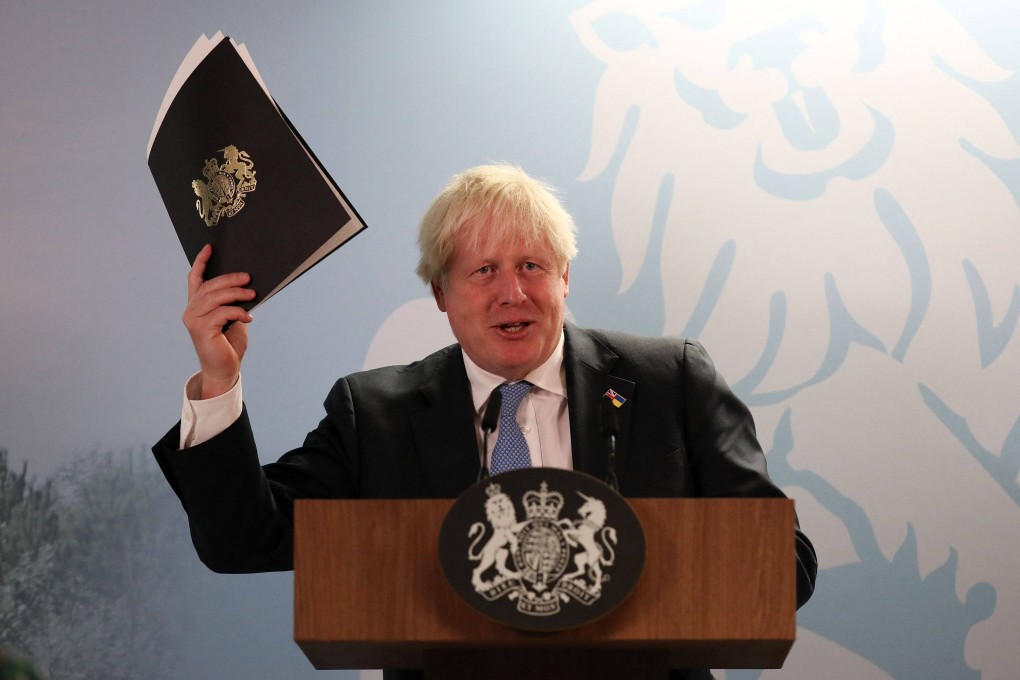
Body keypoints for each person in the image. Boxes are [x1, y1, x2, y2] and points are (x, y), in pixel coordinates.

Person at [153, 164, 817, 680]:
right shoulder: (375, 415)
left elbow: (783, 566)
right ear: (441, 294)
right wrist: (219, 380)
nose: (513, 293)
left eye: (532, 266)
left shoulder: (671, 382)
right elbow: (243, 540)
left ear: (564, 277)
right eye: (483, 271)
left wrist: (629, 568)